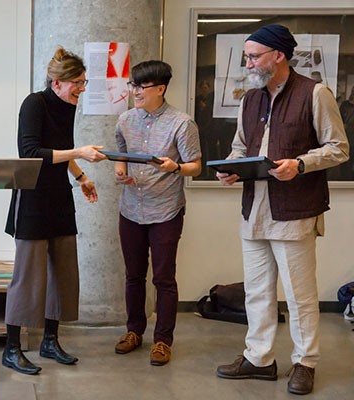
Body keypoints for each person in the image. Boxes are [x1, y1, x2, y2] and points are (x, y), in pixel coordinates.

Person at [214, 24, 348, 395]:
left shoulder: (315, 93)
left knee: (299, 293)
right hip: (253, 210)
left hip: (296, 212)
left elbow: (339, 147)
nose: (248, 62)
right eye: (246, 56)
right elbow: (241, 148)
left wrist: (300, 164)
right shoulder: (249, 99)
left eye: (253, 55)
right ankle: (259, 359)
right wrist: (230, 168)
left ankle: (305, 362)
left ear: (279, 56)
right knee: (256, 291)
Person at [2, 47, 106, 375]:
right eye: (76, 82)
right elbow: (30, 151)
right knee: (28, 278)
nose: (81, 88)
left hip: (59, 195)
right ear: (56, 81)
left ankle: (50, 340)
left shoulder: (66, 105)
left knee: (62, 273)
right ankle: (12, 348)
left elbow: (59, 150)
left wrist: (81, 176)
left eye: (84, 82)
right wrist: (81, 153)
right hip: (31, 197)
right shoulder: (34, 103)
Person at [112, 60, 201, 366]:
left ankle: (163, 340)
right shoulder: (125, 119)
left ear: (160, 89)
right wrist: (121, 169)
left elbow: (196, 166)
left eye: (141, 86)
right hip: (131, 208)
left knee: (163, 278)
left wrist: (175, 167)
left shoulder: (182, 123)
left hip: (165, 210)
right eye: (132, 85)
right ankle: (134, 331)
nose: (135, 91)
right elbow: (120, 149)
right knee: (134, 275)